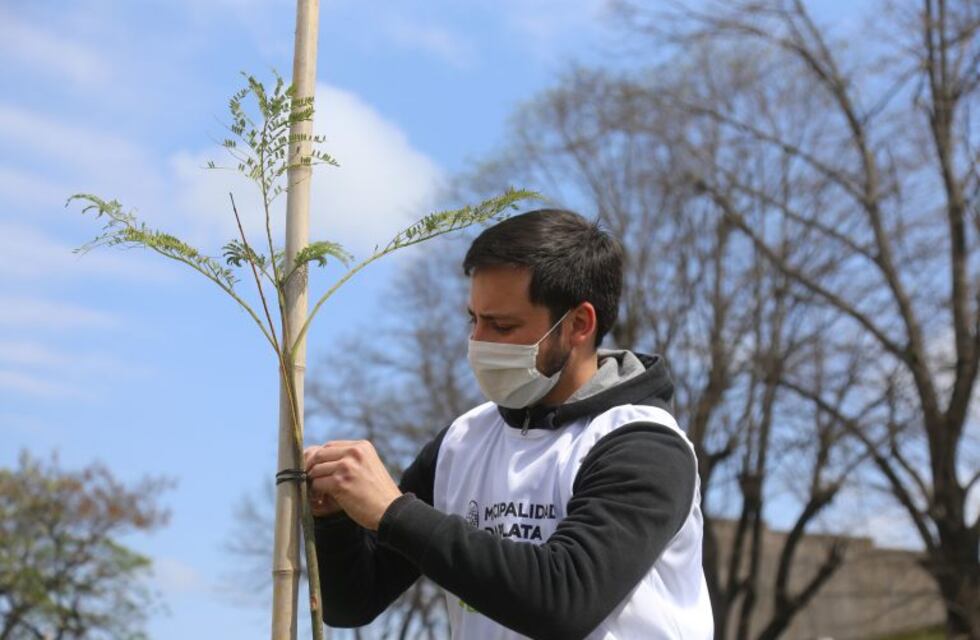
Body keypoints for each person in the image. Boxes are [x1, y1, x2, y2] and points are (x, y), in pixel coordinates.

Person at [304, 209, 713, 639]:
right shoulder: (461, 443)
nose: (478, 342)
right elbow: (355, 601)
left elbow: (564, 601)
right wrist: (335, 520)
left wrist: (394, 513)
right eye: (474, 320)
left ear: (578, 324)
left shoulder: (643, 445)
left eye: (502, 325)